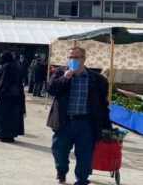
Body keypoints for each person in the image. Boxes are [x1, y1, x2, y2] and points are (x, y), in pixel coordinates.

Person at [47, 47, 110, 185]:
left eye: (76, 57)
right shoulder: (60, 73)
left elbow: (103, 105)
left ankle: (81, 179)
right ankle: (61, 171)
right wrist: (66, 77)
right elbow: (51, 89)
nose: (73, 60)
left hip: (86, 123)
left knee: (85, 155)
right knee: (59, 150)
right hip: (65, 122)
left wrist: (106, 126)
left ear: (84, 59)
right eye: (70, 57)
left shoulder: (97, 79)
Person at [0, 52, 25, 143]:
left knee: (4, 116)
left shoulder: (7, 67)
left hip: (6, 96)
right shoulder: (16, 66)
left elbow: (3, 81)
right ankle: (9, 135)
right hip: (15, 96)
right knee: (12, 117)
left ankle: (4, 135)